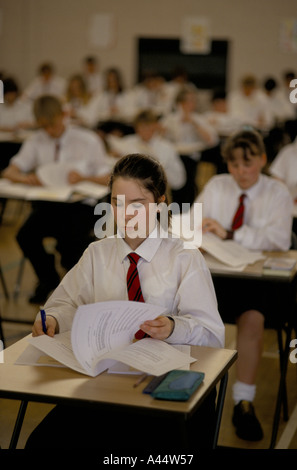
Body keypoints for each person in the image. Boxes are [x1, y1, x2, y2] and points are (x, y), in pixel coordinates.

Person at [25, 153, 225, 450]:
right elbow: (65, 304)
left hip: (161, 386)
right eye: (118, 203)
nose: (126, 213)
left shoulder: (184, 258)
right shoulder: (97, 253)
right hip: (103, 382)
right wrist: (53, 319)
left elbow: (213, 335)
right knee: (40, 443)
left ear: (160, 204)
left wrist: (172, 327)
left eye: (138, 204)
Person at [193, 129, 292, 441]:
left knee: (253, 318)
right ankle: (197, 392)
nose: (241, 172)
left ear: (262, 161)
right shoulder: (217, 185)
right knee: (192, 314)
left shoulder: (277, 192)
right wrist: (201, 233)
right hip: (218, 273)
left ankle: (243, 400)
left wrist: (229, 234)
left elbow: (277, 239)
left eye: (248, 165)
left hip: (257, 279)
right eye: (234, 166)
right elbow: (194, 221)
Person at [3, 95, 111, 304]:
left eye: (52, 124)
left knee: (71, 243)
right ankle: (49, 279)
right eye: (43, 127)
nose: (49, 131)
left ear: (64, 115)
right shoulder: (36, 139)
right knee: (25, 235)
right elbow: (10, 170)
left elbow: (108, 178)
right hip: (49, 205)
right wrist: (25, 178)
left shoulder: (87, 139)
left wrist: (84, 177)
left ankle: (73, 290)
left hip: (81, 207)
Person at [107, 109, 186, 198]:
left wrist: (159, 168)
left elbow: (179, 181)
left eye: (147, 127)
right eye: (140, 128)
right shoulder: (128, 141)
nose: (143, 131)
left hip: (153, 193)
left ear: (155, 126)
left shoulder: (166, 148)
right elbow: (111, 164)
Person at [161, 86, 218, 205]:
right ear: (180, 103)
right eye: (187, 101)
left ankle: (186, 207)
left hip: (192, 156)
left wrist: (193, 123)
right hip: (175, 155)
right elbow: (161, 138)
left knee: (188, 171)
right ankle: (176, 207)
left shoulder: (199, 119)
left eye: (193, 100)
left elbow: (211, 140)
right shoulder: (171, 119)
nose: (191, 104)